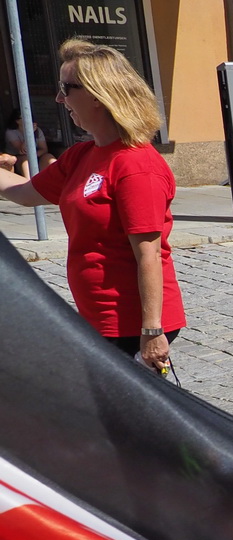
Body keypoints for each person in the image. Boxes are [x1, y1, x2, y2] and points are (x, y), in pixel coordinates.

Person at [0, 40, 184, 371]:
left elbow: (149, 255)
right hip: (97, 318)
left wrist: (152, 332)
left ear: (98, 95)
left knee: (127, 418)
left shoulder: (137, 166)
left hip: (131, 324)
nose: (59, 99)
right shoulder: (81, 156)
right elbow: (26, 193)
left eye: (65, 89)